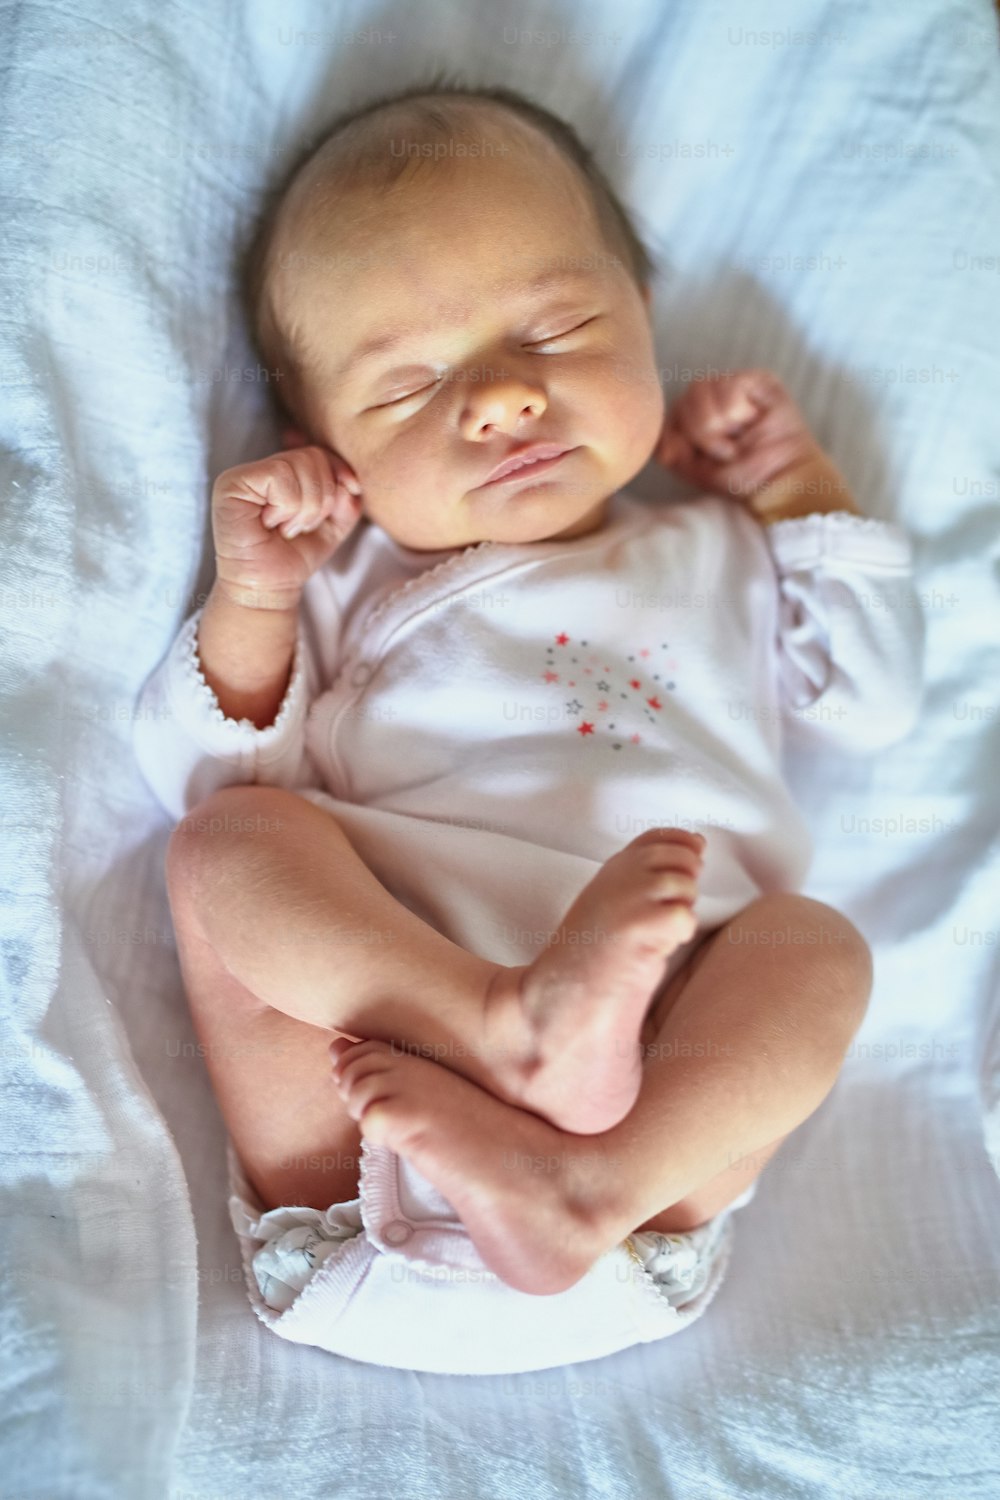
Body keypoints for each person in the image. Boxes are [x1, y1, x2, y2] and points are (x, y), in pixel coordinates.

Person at [134, 81, 921, 1355]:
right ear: (325, 447)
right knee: (228, 847)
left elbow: (871, 701)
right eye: (407, 387)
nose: (501, 399)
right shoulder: (351, 582)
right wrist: (256, 597)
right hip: (354, 1146)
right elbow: (204, 770)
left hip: (650, 1153)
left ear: (645, 325)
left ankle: (580, 1178)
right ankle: (500, 1022)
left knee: (812, 948)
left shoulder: (716, 548)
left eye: (554, 329)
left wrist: (794, 490)